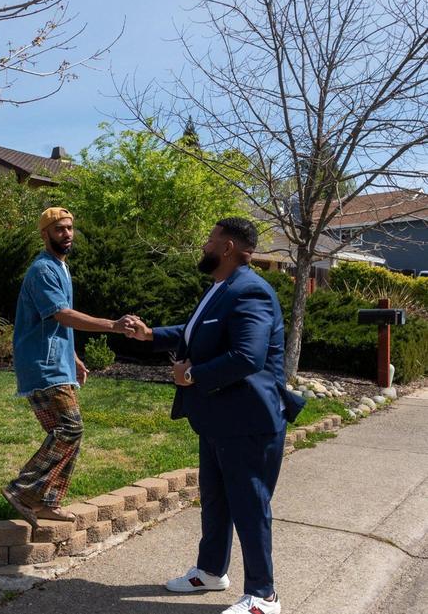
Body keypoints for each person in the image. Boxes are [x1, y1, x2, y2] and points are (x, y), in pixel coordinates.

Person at [125, 217, 304, 614]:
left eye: (210, 239)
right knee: (216, 500)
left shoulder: (250, 292)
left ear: (227, 248)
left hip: (248, 422)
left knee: (250, 505)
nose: (204, 245)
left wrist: (190, 375)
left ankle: (264, 595)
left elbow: (247, 356)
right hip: (219, 420)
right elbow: (196, 332)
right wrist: (150, 335)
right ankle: (210, 572)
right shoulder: (221, 289)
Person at [4, 206, 134, 526]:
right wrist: (113, 325)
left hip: (57, 362)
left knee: (65, 436)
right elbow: (61, 314)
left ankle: (49, 501)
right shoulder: (43, 271)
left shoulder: (61, 268)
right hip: (42, 365)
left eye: (70, 228)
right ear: (45, 233)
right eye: (60, 229)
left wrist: (73, 357)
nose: (67, 234)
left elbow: (60, 325)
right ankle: (22, 490)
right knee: (70, 428)